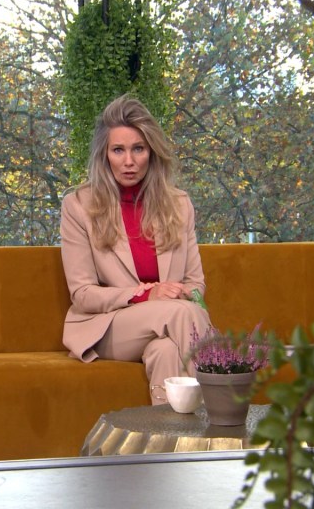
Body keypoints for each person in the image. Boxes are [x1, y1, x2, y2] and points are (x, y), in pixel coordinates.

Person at [60, 94, 212, 405]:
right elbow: (83, 294)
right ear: (105, 155)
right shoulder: (78, 205)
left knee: (165, 351)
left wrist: (177, 294)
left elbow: (195, 283)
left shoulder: (179, 204)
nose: (128, 161)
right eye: (118, 150)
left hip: (170, 323)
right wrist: (145, 295)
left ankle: (167, 432)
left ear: (151, 153)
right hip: (109, 326)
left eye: (138, 149)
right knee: (182, 313)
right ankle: (225, 408)